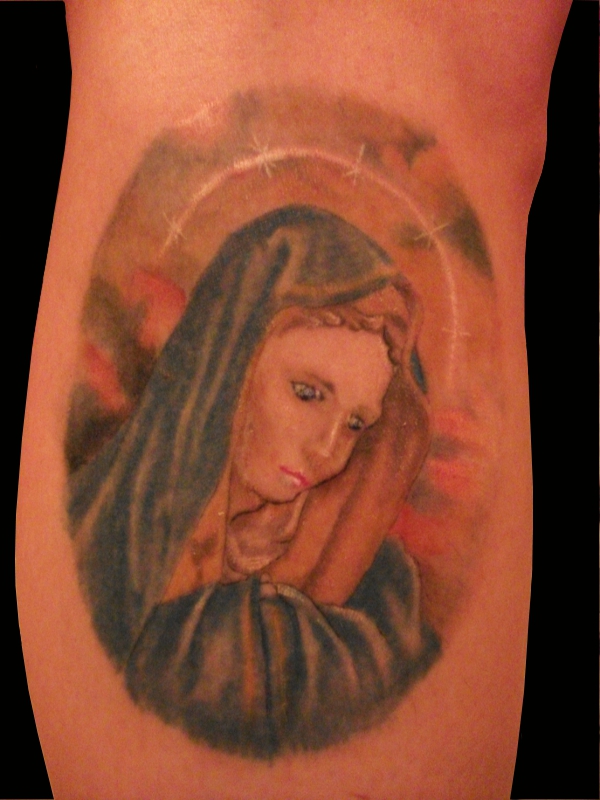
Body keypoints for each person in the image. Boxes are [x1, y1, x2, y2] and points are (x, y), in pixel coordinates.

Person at [68, 205, 439, 757]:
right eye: (308, 393)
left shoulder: (376, 603)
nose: (327, 449)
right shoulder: (99, 540)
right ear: (230, 369)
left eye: (356, 424)